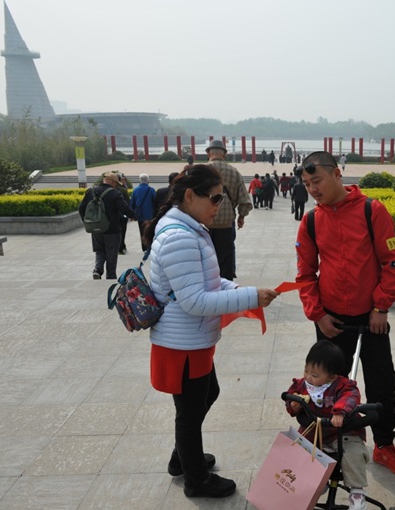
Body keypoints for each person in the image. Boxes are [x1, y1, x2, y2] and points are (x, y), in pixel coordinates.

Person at [143, 163, 279, 499]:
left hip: (191, 338)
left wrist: (238, 289)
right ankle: (196, 479)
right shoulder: (179, 237)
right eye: (215, 198)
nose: (220, 205)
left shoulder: (190, 229)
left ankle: (183, 457)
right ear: (190, 196)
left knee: (206, 395)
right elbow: (195, 301)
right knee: (189, 413)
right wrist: (251, 297)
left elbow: (209, 281)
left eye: (222, 198)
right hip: (182, 342)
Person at [294, 151, 395, 478]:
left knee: (382, 383)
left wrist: (380, 307)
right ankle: (329, 444)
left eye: (317, 181)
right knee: (325, 387)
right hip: (330, 322)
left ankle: (384, 445)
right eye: (307, 184)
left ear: (337, 174)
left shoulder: (371, 210)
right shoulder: (311, 221)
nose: (312, 189)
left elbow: (393, 262)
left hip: (371, 320)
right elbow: (305, 274)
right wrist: (318, 315)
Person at [286, 340, 370, 510]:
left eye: (315, 375)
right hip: (313, 432)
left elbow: (351, 396)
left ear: (332, 377)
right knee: (299, 452)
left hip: (343, 433)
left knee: (353, 452)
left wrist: (340, 411)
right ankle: (316, 481)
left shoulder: (342, 386)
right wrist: (293, 405)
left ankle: (357, 491)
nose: (308, 377)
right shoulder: (302, 385)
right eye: (306, 370)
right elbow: (291, 395)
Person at [205, 139, 252, 280]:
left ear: (208, 153)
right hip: (226, 225)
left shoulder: (201, 172)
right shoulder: (234, 172)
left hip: (204, 225)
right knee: (226, 258)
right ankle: (226, 285)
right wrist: (241, 216)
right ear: (224, 154)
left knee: (205, 259)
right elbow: (245, 200)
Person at [78, 171, 136, 280]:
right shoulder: (115, 193)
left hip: (96, 227)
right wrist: (133, 216)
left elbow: (81, 208)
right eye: (116, 183)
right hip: (112, 228)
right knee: (111, 253)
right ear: (113, 182)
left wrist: (87, 222)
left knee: (99, 250)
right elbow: (124, 208)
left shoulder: (91, 191)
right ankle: (111, 275)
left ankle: (97, 270)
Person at [130, 173, 157, 251]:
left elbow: (132, 203)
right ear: (148, 180)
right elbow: (155, 202)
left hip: (140, 215)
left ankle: (144, 247)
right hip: (150, 215)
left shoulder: (135, 190)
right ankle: (150, 246)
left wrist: (131, 215)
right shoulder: (151, 190)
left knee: (142, 231)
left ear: (140, 180)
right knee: (150, 231)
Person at [115, 173, 132, 255]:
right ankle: (121, 247)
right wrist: (131, 215)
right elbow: (127, 203)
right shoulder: (123, 190)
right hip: (122, 215)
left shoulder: (106, 190)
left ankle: (116, 247)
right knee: (122, 231)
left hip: (110, 216)